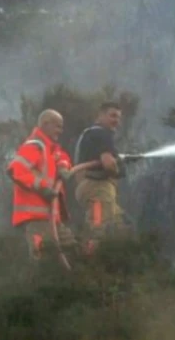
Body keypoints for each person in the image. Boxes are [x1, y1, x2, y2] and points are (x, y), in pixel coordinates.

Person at [6, 109, 76, 262]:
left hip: (52, 217)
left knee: (71, 251)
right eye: (57, 126)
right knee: (43, 259)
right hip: (36, 219)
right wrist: (42, 188)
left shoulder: (50, 148)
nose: (61, 131)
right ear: (45, 124)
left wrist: (64, 166)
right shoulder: (33, 146)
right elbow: (16, 169)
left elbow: (61, 156)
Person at [72, 101, 133, 254]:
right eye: (112, 116)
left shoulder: (91, 133)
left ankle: (116, 265)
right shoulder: (101, 133)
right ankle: (90, 268)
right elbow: (108, 164)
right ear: (100, 115)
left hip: (92, 189)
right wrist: (119, 170)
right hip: (97, 189)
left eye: (118, 118)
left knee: (122, 225)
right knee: (98, 231)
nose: (116, 121)